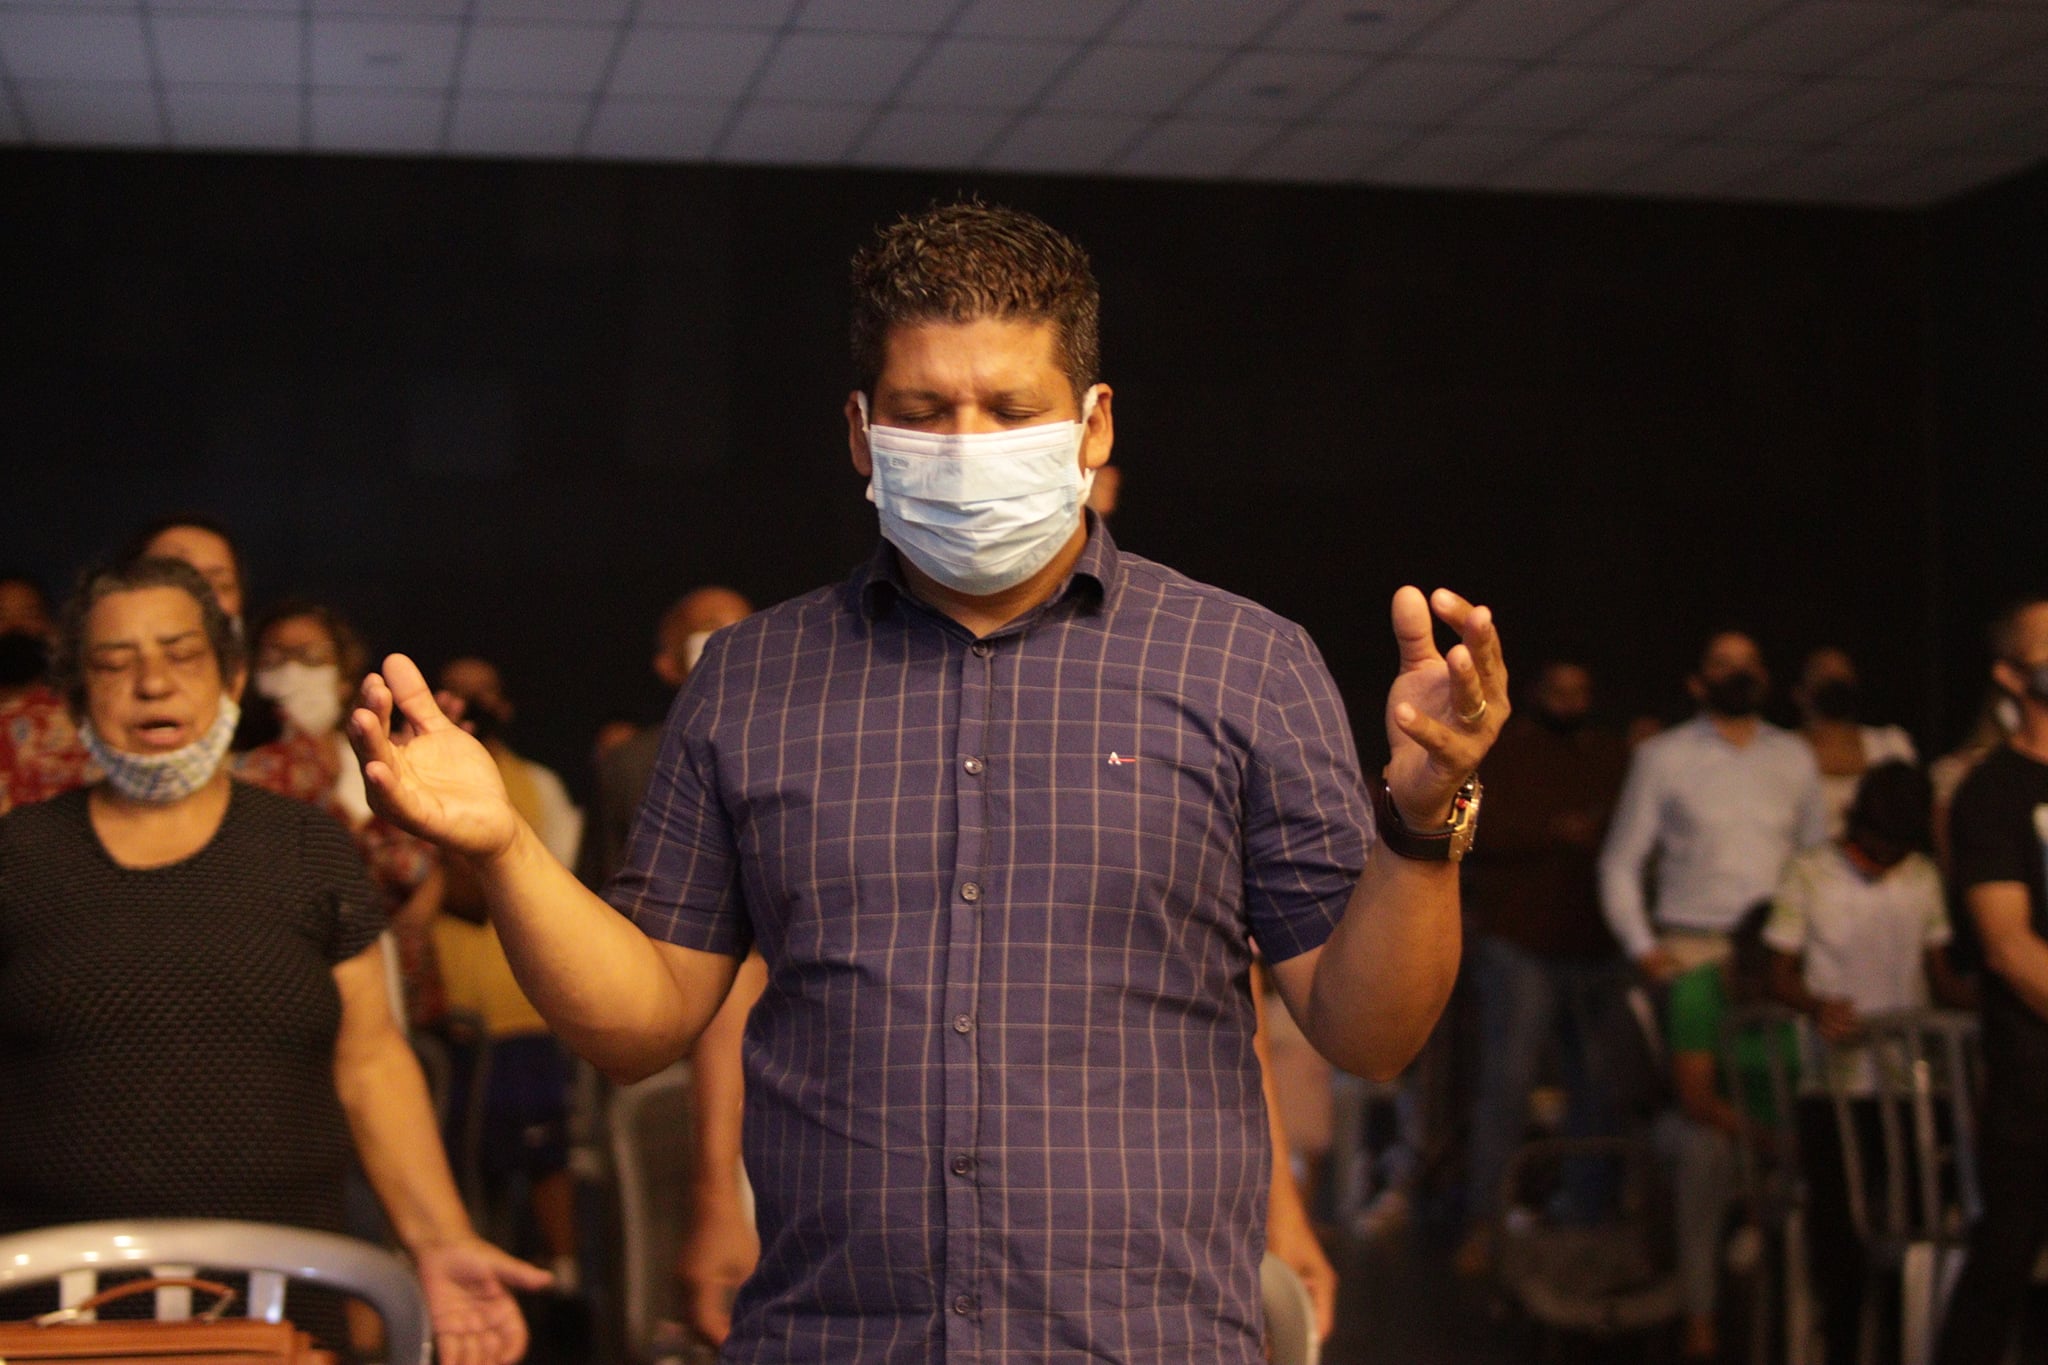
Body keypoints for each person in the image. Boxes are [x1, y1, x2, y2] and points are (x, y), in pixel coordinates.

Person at [349, 200, 1508, 1362]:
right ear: (861, 432)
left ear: (1093, 424)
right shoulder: (748, 680)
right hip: (831, 1341)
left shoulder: (1241, 663)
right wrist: (502, 849)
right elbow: (639, 1023)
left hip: (1143, 1339)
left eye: (1009, 408)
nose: (965, 444)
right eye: (921, 411)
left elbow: (1368, 1035)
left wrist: (1420, 824)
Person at [0, 556, 545, 1360]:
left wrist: (439, 1239)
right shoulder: (16, 857)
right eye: (115, 663)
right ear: (77, 697)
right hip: (47, 1317)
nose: (153, 684)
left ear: (232, 678)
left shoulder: (308, 847)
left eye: (182, 655)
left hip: (285, 1306)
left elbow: (370, 1061)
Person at [1765, 760, 1971, 1365]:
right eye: (1873, 849)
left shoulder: (1922, 876)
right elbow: (1779, 972)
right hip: (1834, 1087)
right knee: (1840, 1237)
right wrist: (1817, 1005)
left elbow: (1939, 975)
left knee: (1918, 1229)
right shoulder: (1809, 871)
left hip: (1911, 1087)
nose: (1881, 863)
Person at [1454, 659, 1630, 1277]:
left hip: (1595, 944)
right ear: (1536, 692)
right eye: (1560, 691)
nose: (1570, 701)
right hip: (1521, 941)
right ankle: (1486, 1224)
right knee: (1507, 1086)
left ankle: (1589, 1220)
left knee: (1598, 1090)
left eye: (1581, 691)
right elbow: (1471, 830)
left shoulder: (1610, 755)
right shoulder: (1503, 753)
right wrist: (1554, 830)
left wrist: (1594, 830)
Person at [432, 656, 584, 1292]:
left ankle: (564, 1283)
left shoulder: (540, 786)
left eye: (485, 691)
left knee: (543, 1153)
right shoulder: (403, 774)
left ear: (507, 705)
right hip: (444, 1017)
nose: (472, 702)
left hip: (524, 1011)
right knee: (456, 1163)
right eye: (457, 690)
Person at [237, 600, 446, 1027]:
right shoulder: (246, 772)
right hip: (302, 996)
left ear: (345, 674)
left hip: (406, 999)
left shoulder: (383, 755)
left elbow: (426, 866)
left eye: (310, 657)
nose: (293, 671)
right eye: (276, 658)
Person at [1933, 595, 2048, 1365]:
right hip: (2035, 1080)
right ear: (2011, 673)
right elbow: (2007, 945)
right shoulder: (1995, 790)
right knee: (2004, 1261)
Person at [1601, 630, 1829, 982]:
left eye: (1749, 663)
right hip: (1691, 947)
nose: (1740, 673)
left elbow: (1816, 857)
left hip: (1776, 951)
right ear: (1696, 683)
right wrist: (1643, 949)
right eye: (1723, 664)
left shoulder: (1794, 755)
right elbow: (1620, 861)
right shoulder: (1662, 756)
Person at [1655, 904, 1797, 1362]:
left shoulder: (1806, 994)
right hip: (1724, 1130)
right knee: (1704, 1151)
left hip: (1792, 1133)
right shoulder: (1699, 992)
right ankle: (1700, 1318)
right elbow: (1697, 1100)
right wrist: (1768, 1140)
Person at [580, 586, 754, 890]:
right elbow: (604, 884)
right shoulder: (630, 766)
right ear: (668, 665)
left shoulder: (795, 747)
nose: (734, 645)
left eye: (748, 631)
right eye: (710, 633)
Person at [1793, 647, 1917, 838]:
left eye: (1842, 672)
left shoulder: (1890, 745)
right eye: (1822, 671)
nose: (1835, 678)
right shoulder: (1780, 752)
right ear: (1799, 692)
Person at [0, 573, 96, 816]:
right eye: (1, 617)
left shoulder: (86, 719)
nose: (15, 626)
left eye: (29, 615)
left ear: (52, 630)